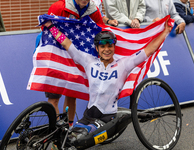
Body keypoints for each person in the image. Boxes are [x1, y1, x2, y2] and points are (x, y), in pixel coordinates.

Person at [43, 16, 172, 140]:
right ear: (97, 48)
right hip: (88, 116)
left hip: (107, 119)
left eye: (110, 45)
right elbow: (67, 44)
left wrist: (165, 31)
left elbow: (148, 50)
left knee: (78, 140)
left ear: (114, 47)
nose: (106, 49)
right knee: (65, 138)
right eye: (102, 46)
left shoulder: (123, 65)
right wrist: (51, 27)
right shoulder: (89, 62)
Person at [45, 0, 108, 127]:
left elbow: (100, 31)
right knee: (54, 98)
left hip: (75, 54)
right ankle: (56, 130)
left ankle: (68, 128)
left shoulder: (93, 10)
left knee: (71, 94)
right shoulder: (58, 7)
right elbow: (46, 30)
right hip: (55, 53)